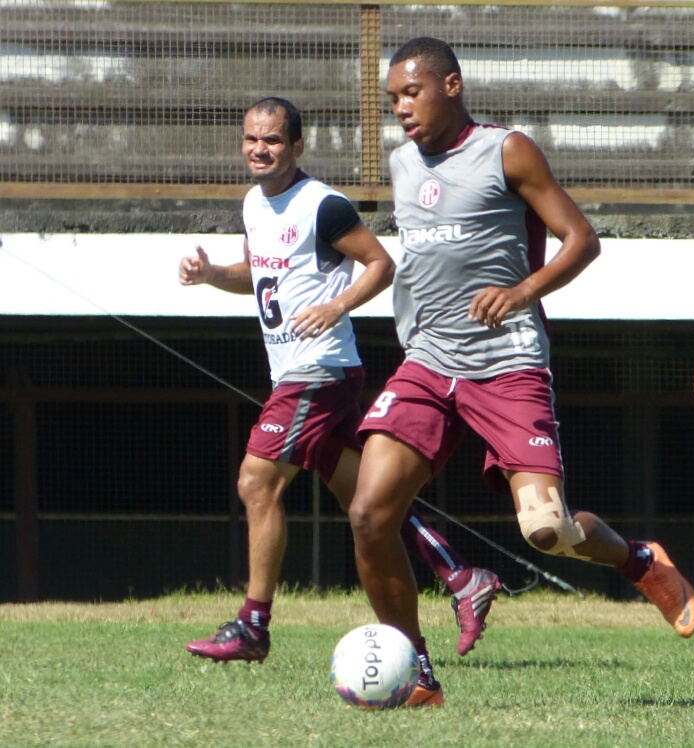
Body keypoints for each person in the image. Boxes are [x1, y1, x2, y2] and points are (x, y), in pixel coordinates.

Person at [347, 37, 694, 707]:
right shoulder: (400, 162)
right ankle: (417, 673)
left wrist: (522, 291)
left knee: (547, 530)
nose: (401, 109)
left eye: (411, 93)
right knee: (368, 514)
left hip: (506, 363)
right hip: (428, 362)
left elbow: (582, 240)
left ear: (451, 85)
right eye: (392, 98)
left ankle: (639, 561)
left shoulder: (506, 150)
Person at [179, 96, 502, 664]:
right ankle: (462, 576)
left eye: (274, 140)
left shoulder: (322, 205)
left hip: (317, 370)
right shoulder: (255, 203)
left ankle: (253, 625)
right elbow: (258, 276)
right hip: (298, 370)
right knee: (365, 496)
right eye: (252, 139)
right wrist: (211, 276)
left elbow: (381, 263)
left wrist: (337, 306)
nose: (261, 148)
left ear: (297, 147)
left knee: (258, 483)